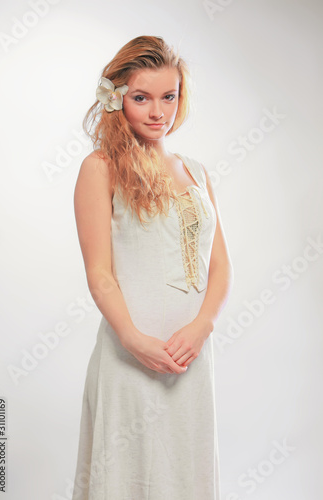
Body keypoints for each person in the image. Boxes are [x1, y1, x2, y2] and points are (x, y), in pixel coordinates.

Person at [71, 35, 233, 500]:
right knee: (124, 476)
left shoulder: (197, 172)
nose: (157, 111)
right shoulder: (99, 168)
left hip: (191, 360)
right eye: (141, 98)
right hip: (130, 357)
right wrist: (133, 339)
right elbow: (99, 273)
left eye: (169, 96)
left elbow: (221, 266)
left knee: (186, 475)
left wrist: (202, 327)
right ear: (117, 98)